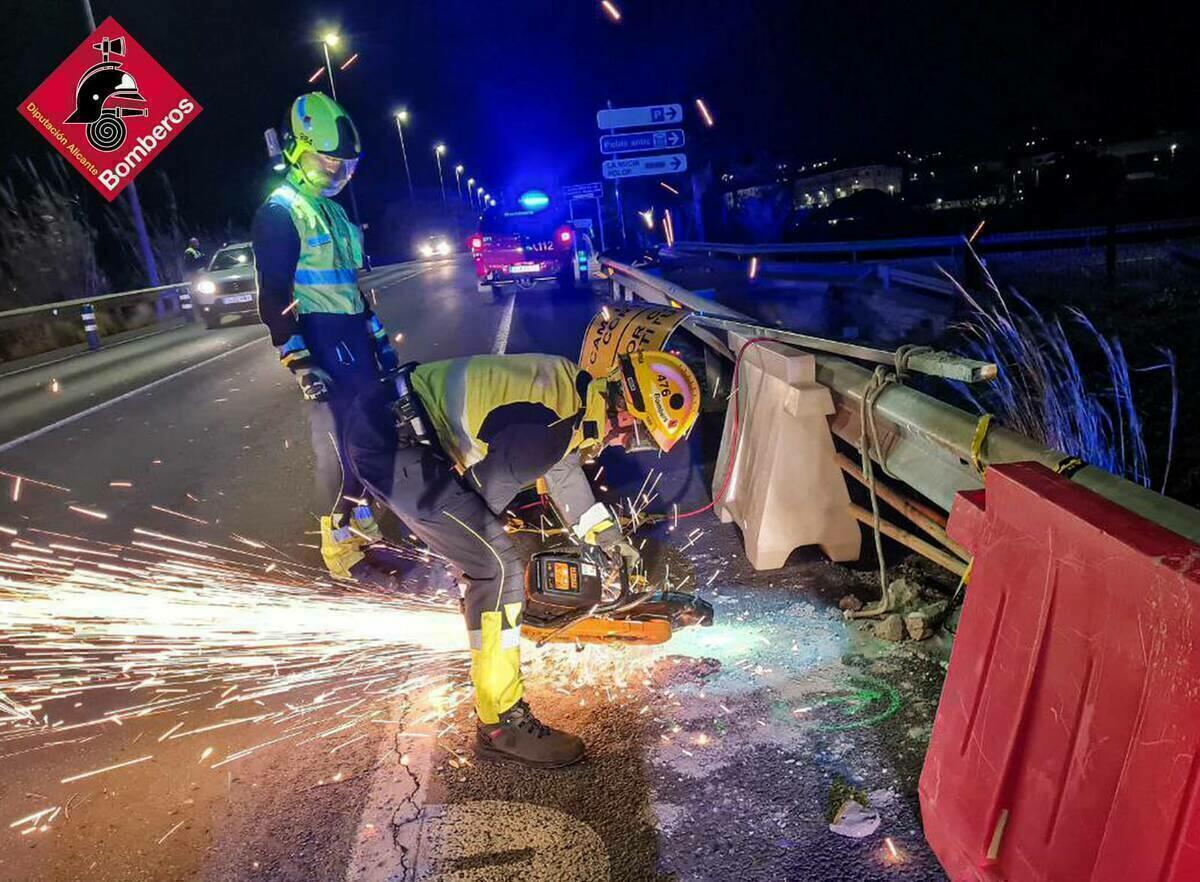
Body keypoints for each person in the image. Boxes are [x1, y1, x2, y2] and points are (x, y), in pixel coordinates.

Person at [342, 349, 701, 767]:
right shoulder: (549, 429)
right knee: (493, 567)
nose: (625, 444)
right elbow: (483, 500)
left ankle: (477, 617)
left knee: (489, 559)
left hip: (392, 417)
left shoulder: (573, 391)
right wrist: (494, 586)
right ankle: (500, 726)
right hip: (389, 444)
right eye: (637, 434)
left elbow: (562, 470)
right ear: (626, 410)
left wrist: (608, 539)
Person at [251, 92, 398, 585]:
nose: (334, 173)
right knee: (339, 439)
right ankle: (338, 547)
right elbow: (273, 294)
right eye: (325, 161)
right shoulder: (281, 211)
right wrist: (297, 357)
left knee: (372, 431)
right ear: (296, 149)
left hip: (352, 333)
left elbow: (351, 285)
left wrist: (377, 335)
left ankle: (362, 522)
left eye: (343, 166)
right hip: (319, 335)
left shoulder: (333, 213)